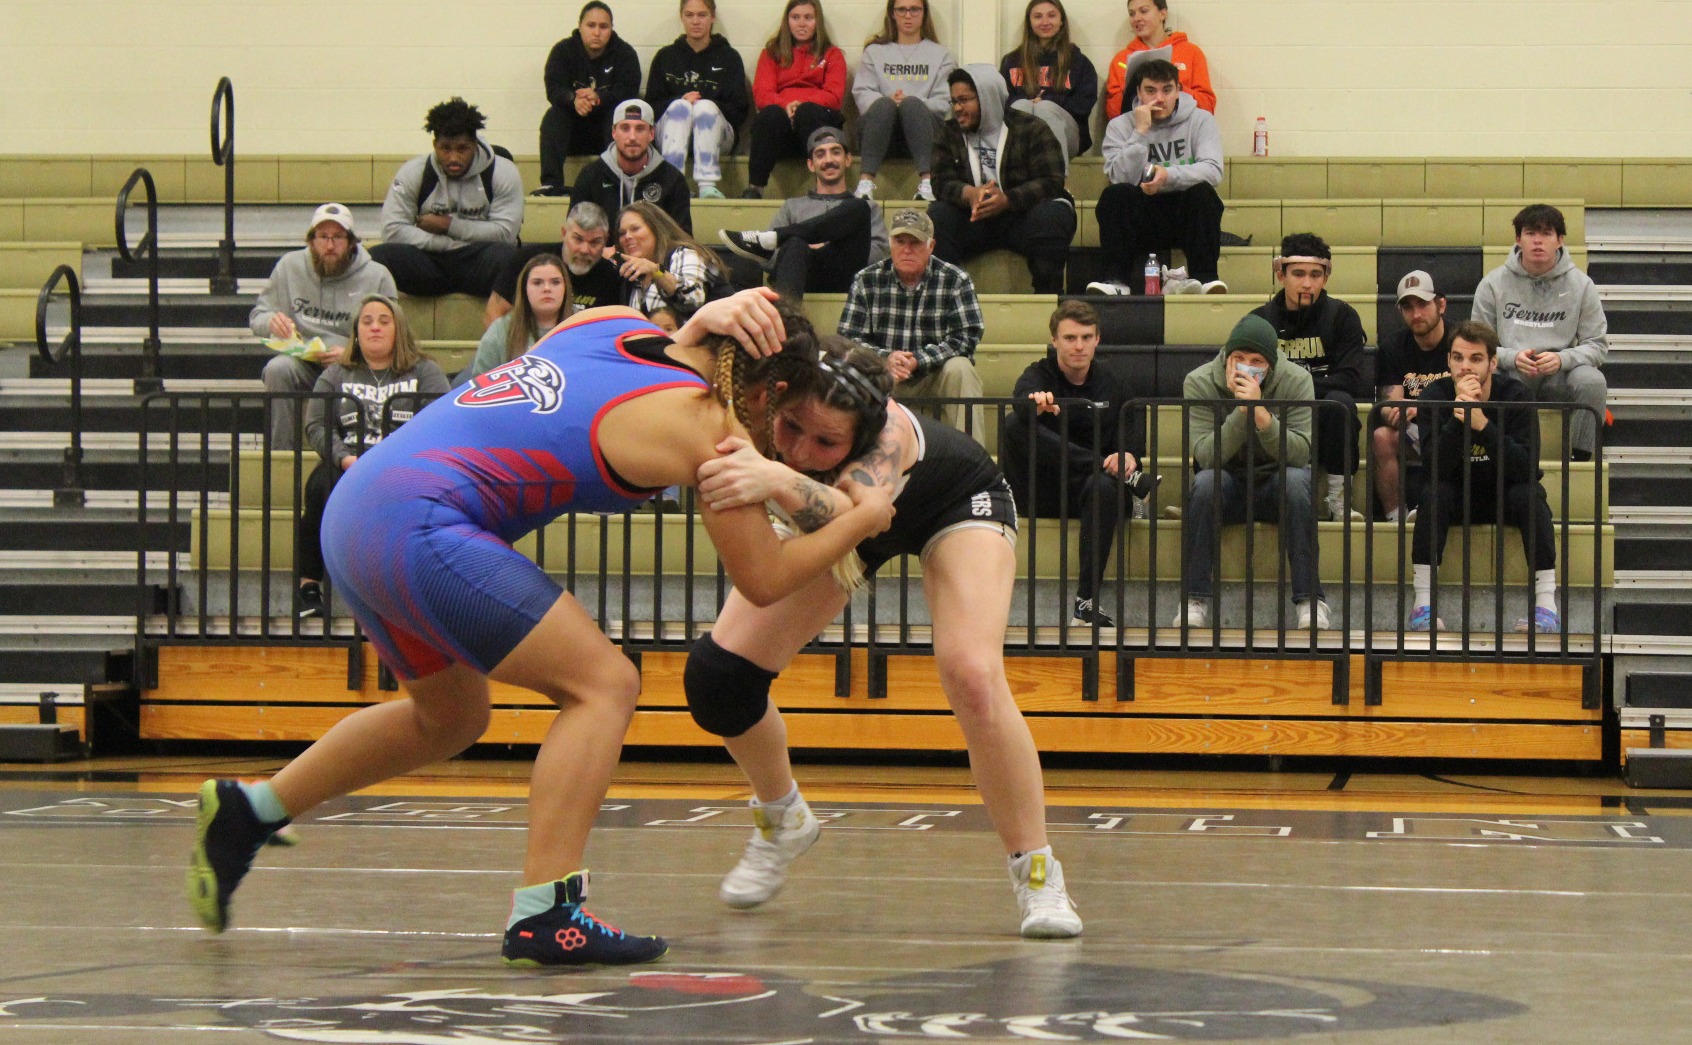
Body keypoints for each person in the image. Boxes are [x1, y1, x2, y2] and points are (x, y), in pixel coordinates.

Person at [186, 290, 897, 967]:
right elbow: (765, 579)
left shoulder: (611, 323)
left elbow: (642, 361)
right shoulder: (712, 432)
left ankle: (251, 810)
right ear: (767, 391)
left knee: (451, 715)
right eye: (788, 424)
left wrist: (695, 324)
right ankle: (548, 912)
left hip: (356, 509)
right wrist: (862, 518)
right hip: (420, 523)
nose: (789, 445)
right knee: (605, 684)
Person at [688, 340, 1084, 940]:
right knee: (720, 678)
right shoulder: (763, 402)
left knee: (972, 674)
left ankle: (1036, 871)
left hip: (951, 502)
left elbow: (861, 512)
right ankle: (781, 813)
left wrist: (772, 473)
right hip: (845, 515)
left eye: (826, 443)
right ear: (778, 397)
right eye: (791, 428)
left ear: (862, 435)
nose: (801, 449)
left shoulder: (887, 440)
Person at [1001, 300, 1154, 627]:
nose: (1079, 346)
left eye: (1086, 337)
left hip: (1090, 493)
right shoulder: (1037, 374)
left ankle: (1086, 605)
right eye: (1070, 338)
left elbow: (1132, 441)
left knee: (1105, 484)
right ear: (1054, 340)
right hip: (1041, 489)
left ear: (1097, 339)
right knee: (1015, 425)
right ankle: (1098, 464)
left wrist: (1127, 457)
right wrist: (1034, 406)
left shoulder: (1116, 386)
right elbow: (1020, 402)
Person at [296, 296, 451, 618]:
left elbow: (441, 421)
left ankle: (418, 591)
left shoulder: (425, 370)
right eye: (367, 321)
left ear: (398, 328)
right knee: (317, 488)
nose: (375, 327)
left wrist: (400, 460)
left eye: (384, 320)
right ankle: (308, 586)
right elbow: (316, 423)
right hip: (349, 463)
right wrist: (343, 459)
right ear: (356, 331)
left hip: (405, 464)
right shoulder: (338, 374)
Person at [1175, 314, 1329, 631]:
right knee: (1204, 483)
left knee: (1298, 480)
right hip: (1227, 482)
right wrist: (1240, 412)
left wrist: (1260, 413)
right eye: (1239, 358)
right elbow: (1204, 456)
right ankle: (1194, 598)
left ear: (1270, 365)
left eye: (1256, 360)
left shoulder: (1296, 380)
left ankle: (1310, 600)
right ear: (1227, 357)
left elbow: (1300, 454)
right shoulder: (1200, 381)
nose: (1246, 366)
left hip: (1277, 482)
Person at [1409, 321, 1561, 634]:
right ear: (1448, 361)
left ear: (1492, 362)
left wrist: (1483, 426)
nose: (1466, 367)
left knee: (1531, 494)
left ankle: (1546, 606)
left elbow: (1528, 468)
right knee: (1432, 493)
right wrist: (1459, 418)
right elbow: (1433, 467)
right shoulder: (1435, 396)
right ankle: (1423, 603)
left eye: (1476, 359)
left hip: (1503, 493)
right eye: (1458, 358)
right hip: (1456, 494)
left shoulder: (1516, 396)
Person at [251, 204, 397, 450]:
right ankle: (281, 456)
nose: (330, 246)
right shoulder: (289, 266)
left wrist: (354, 353)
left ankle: (361, 454)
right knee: (278, 369)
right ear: (311, 241)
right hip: (305, 362)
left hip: (354, 366)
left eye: (338, 237)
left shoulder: (377, 276)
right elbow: (257, 316)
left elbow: (396, 332)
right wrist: (272, 322)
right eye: (323, 237)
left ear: (351, 242)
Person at [1471, 203, 1609, 463]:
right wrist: (1512, 357)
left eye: (1546, 233)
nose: (1538, 241)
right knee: (1493, 377)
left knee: (1592, 381)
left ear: (1560, 240)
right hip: (1513, 371)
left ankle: (1582, 460)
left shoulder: (1582, 285)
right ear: (1518, 239)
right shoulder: (1492, 284)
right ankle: (1499, 456)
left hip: (1561, 375)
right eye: (1531, 233)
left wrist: (1562, 359)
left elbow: (1597, 345)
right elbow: (1477, 347)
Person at [838, 207, 985, 441]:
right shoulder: (866, 280)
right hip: (882, 375)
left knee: (961, 369)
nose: (906, 249)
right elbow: (847, 339)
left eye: (915, 242)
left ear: (931, 246)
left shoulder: (956, 280)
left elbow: (966, 337)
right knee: (850, 366)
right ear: (890, 243)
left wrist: (918, 360)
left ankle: (972, 464)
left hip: (933, 374)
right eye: (900, 241)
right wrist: (885, 358)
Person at [927, 65, 1075, 296]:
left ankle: (1048, 300)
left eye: (964, 100)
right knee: (938, 215)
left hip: (1022, 216)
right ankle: (948, 299)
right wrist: (970, 194)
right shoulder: (948, 133)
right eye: (953, 101)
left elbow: (1051, 180)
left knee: (1054, 214)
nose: (957, 108)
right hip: (974, 217)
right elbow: (940, 182)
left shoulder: (1031, 128)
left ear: (987, 98)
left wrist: (1008, 199)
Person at [1250, 233, 1368, 522]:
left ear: (1326, 278)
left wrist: (1292, 385)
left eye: (1316, 274)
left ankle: (1338, 502)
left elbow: (1350, 380)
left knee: (1341, 403)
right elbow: (1250, 380)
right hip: (1275, 412)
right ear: (1281, 274)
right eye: (1299, 274)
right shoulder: (1259, 320)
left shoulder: (1343, 317)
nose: (1307, 283)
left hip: (1322, 411)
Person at [1088, 57, 1225, 296]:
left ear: (1178, 91)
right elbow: (1119, 176)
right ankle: (1116, 281)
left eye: (1167, 90)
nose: (1159, 98)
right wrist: (1139, 133)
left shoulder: (1201, 120)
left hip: (1184, 213)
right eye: (1150, 90)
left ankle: (1206, 279)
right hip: (1140, 215)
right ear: (1138, 93)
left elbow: (1213, 170)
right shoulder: (1120, 126)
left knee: (1204, 194)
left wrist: (1167, 175)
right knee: (1114, 195)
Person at [370, 98, 523, 300]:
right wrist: (444, 244)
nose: (453, 158)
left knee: (512, 259)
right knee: (377, 257)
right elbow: (392, 230)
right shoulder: (414, 172)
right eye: (445, 148)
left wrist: (448, 225)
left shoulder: (503, 172)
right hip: (430, 262)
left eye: (462, 149)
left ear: (475, 145)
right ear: (435, 145)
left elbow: (505, 234)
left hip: (477, 260)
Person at [717, 126, 888, 301]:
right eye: (820, 154)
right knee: (794, 244)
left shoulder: (867, 207)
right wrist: (804, 249)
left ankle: (776, 237)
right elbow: (770, 259)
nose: (829, 160)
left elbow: (878, 254)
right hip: (801, 278)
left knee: (859, 207)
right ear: (811, 165)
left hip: (848, 276)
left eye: (835, 152)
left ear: (848, 159)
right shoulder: (792, 207)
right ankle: (790, 318)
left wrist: (828, 248)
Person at [850, 0, 955, 203]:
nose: (908, 15)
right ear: (892, 14)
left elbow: (944, 102)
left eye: (914, 9)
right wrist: (888, 101)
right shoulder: (874, 52)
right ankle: (865, 184)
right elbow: (862, 92)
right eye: (902, 9)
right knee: (883, 105)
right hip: (880, 133)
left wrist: (911, 101)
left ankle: (928, 183)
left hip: (923, 133)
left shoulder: (941, 55)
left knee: (912, 105)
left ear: (924, 14)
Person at [535, 1, 643, 198]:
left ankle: (616, 182)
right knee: (554, 115)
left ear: (611, 29)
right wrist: (573, 100)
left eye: (603, 26)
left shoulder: (625, 54)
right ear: (580, 26)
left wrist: (599, 98)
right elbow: (553, 88)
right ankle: (551, 184)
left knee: (618, 116)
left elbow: (628, 92)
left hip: (607, 130)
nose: (597, 32)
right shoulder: (563, 51)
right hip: (573, 132)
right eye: (591, 25)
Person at [646, 0, 751, 201]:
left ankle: (707, 186)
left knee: (703, 107)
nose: (696, 21)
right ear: (681, 17)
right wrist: (681, 100)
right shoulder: (665, 57)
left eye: (702, 15)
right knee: (679, 107)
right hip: (670, 133)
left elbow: (739, 111)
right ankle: (672, 184)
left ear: (712, 18)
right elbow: (651, 108)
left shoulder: (729, 57)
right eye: (689, 15)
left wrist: (707, 104)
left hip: (718, 135)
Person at [1373, 270, 1455, 523]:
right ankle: (1396, 518)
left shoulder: (1460, 342)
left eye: (1423, 304)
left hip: (1454, 429)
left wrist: (1423, 408)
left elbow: (1472, 399)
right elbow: (1388, 404)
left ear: (1441, 305)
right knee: (1381, 437)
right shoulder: (1392, 347)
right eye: (1408, 307)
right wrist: (1395, 412)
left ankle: (1433, 507)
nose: (1416, 314)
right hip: (1415, 434)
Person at [743, 0, 846, 200]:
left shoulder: (832, 54)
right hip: (780, 130)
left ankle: (824, 187)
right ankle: (755, 188)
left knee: (808, 111)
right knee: (770, 114)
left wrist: (800, 104)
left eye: (808, 18)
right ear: (787, 21)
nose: (801, 24)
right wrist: (786, 106)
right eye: (795, 17)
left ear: (817, 22)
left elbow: (834, 97)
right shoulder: (771, 53)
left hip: (815, 124)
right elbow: (762, 93)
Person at [486, 201, 625, 326]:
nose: (584, 250)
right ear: (564, 234)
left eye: (594, 242)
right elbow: (494, 314)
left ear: (605, 241)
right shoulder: (528, 260)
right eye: (578, 239)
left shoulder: (612, 277)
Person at [571, 99, 694, 234]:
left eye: (640, 128)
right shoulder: (591, 175)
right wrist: (602, 251)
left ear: (651, 133)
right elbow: (576, 234)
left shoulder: (673, 180)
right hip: (604, 254)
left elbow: (683, 241)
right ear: (614, 132)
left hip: (653, 255)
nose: (632, 137)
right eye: (625, 128)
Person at [999, 0, 1098, 166]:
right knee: (1020, 106)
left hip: (1068, 134)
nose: (1045, 22)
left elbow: (1084, 104)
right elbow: (1001, 101)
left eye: (1051, 16)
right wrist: (1030, 105)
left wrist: (1050, 103)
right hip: (1025, 131)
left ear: (1061, 21)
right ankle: (1015, 178)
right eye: (1038, 16)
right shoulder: (1011, 61)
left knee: (1046, 109)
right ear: (1029, 23)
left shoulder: (1078, 61)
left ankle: (1056, 183)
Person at [611, 200, 727, 320]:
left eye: (635, 229)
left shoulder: (685, 253)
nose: (627, 237)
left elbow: (693, 298)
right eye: (622, 233)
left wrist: (656, 271)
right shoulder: (629, 274)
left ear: (656, 229)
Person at [466, 255, 569, 385]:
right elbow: (481, 386)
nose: (547, 288)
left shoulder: (584, 327)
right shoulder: (500, 330)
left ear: (566, 287)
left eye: (555, 282)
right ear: (524, 289)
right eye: (537, 282)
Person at [1103, 0, 1215, 120]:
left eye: (1144, 11)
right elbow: (1113, 115)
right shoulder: (1121, 60)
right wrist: (1131, 89)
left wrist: (1176, 87)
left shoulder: (1191, 52)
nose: (1136, 18)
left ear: (1162, 14)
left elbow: (1208, 107)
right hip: (1140, 133)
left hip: (1181, 133)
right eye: (1132, 13)